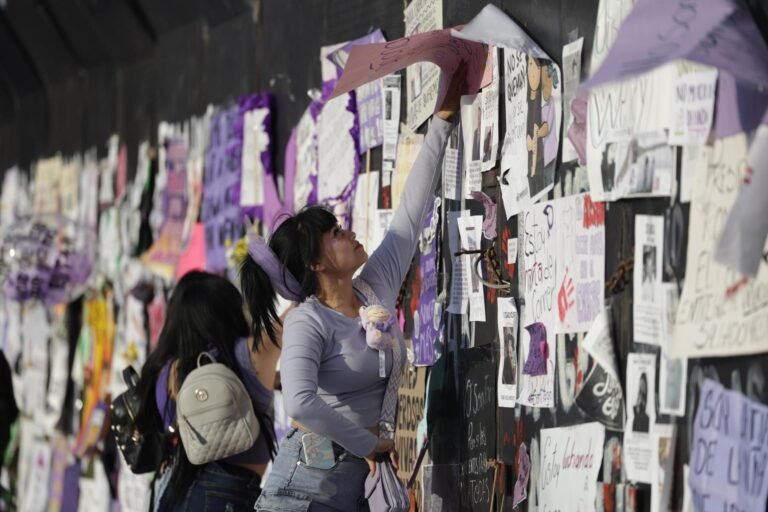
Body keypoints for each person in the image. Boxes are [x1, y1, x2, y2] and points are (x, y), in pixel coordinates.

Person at [248, 67, 465, 511]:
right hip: (300, 490)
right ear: (317, 263)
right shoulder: (309, 320)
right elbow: (301, 403)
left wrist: (443, 121)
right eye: (334, 234)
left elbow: (409, 214)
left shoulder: (374, 288)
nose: (347, 234)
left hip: (347, 489)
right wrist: (369, 444)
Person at [135, 271, 282, 511]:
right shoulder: (248, 355)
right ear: (228, 312)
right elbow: (298, 316)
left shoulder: (166, 372)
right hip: (224, 496)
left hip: (170, 493)